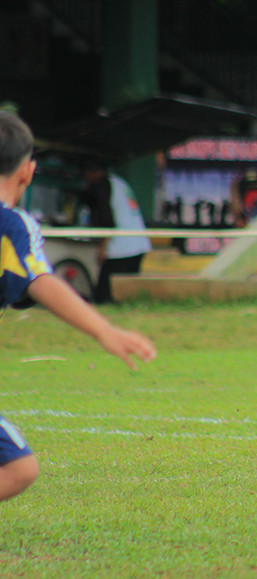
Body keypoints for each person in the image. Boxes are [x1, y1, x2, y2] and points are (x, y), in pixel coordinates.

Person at [0, 112, 156, 503]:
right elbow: (41, 281)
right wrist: (106, 330)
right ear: (28, 172)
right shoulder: (13, 225)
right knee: (19, 468)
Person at [81, 162, 153, 305]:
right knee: (126, 293)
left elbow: (108, 221)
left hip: (122, 247)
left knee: (104, 295)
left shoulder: (103, 186)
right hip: (137, 243)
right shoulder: (119, 182)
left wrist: (103, 248)